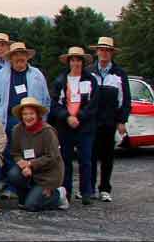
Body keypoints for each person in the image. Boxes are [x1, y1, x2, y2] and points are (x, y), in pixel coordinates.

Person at [0, 42, 50, 199]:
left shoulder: (37, 74)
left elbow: (46, 99)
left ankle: (32, 185)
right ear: (11, 58)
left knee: (33, 154)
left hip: (31, 122)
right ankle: (12, 187)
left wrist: (43, 120)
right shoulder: (2, 74)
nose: (19, 58)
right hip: (9, 121)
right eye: (15, 55)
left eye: (22, 54)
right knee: (10, 154)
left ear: (27, 56)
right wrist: (0, 111)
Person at [51, 47, 99, 204]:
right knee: (65, 160)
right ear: (68, 62)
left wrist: (78, 117)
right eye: (73, 60)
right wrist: (67, 117)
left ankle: (86, 192)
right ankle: (66, 192)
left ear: (83, 62)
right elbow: (55, 104)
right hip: (65, 126)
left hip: (85, 126)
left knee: (86, 160)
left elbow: (93, 104)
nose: (76, 63)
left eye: (79, 60)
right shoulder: (60, 80)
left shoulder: (91, 80)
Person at [87, 37, 130, 203]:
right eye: (101, 50)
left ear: (111, 53)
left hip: (110, 121)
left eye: (107, 50)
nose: (104, 53)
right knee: (90, 156)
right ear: (97, 52)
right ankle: (89, 188)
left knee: (107, 157)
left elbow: (125, 100)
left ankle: (105, 188)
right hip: (91, 121)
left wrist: (122, 121)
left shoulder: (119, 74)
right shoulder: (89, 71)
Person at [8, 97, 69, 212]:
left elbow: (52, 157)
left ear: (38, 114)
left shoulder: (48, 131)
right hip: (28, 170)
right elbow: (15, 152)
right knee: (13, 174)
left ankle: (58, 195)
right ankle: (27, 195)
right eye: (25, 114)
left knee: (31, 206)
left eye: (31, 113)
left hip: (48, 174)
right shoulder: (17, 130)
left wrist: (31, 164)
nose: (28, 117)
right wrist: (22, 163)